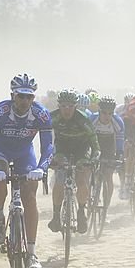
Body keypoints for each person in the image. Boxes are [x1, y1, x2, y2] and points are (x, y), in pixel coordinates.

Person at [0, 74, 53, 268]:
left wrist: (41, 168)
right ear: (13, 95)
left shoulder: (42, 114)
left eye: (29, 97)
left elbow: (48, 147)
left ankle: (31, 253)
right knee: (0, 178)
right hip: (1, 152)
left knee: (29, 196)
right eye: (21, 96)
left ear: (34, 98)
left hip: (24, 154)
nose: (25, 101)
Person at [48, 89, 98, 235]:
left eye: (70, 106)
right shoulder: (53, 118)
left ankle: (81, 211)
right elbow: (45, 139)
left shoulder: (83, 119)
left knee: (81, 179)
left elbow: (95, 144)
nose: (66, 109)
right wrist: (49, 158)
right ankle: (56, 215)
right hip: (62, 150)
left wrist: (94, 159)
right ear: (59, 105)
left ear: (75, 106)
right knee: (59, 179)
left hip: (81, 150)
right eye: (63, 106)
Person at [93, 95, 124, 205]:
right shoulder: (92, 119)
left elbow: (120, 139)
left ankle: (105, 206)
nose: (107, 116)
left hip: (109, 146)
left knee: (108, 176)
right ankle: (90, 198)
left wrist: (119, 154)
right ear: (99, 111)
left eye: (110, 113)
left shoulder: (118, 121)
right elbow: (85, 138)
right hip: (94, 144)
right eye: (104, 113)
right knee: (89, 172)